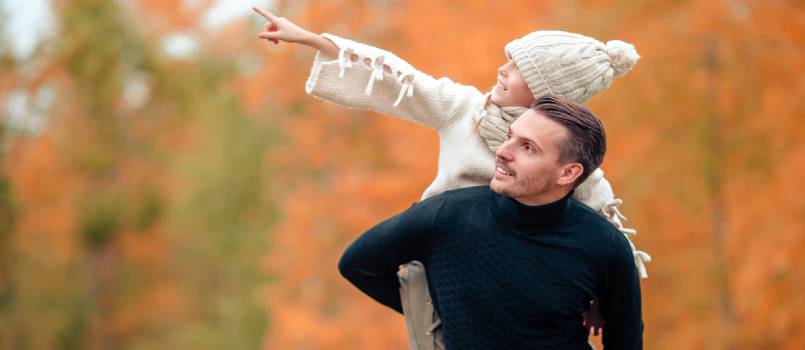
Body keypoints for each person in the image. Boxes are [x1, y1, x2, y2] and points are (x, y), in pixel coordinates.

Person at [252, 6, 650, 348]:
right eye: (507, 59)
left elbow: (607, 238)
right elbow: (399, 79)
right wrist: (312, 40)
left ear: (547, 92)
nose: (502, 69)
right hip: (441, 261)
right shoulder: (464, 110)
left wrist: (600, 300)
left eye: (517, 69)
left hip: (522, 272)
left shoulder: (574, 167)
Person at [339, 96, 643, 349]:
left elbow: (626, 341)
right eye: (510, 136)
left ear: (567, 173)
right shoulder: (445, 215)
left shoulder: (606, 245)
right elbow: (358, 264)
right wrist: (442, 314)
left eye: (528, 148)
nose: (503, 151)